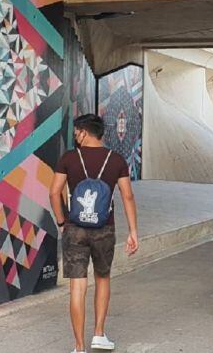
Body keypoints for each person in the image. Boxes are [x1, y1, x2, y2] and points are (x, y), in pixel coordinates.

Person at [50, 114, 140, 353]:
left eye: (76, 132)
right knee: (102, 279)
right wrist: (133, 231)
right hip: (104, 228)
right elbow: (127, 196)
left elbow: (54, 192)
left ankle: (79, 347)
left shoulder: (69, 158)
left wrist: (62, 222)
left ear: (84, 132)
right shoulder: (116, 160)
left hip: (74, 229)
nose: (75, 136)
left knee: (77, 287)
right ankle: (98, 334)